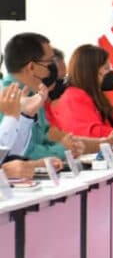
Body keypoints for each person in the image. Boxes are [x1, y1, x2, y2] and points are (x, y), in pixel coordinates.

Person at [0, 32, 84, 161]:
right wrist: (63, 149)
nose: (54, 68)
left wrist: (69, 145)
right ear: (31, 67)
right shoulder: (7, 98)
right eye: (50, 61)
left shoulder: (34, 94)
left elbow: (43, 138)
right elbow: (18, 154)